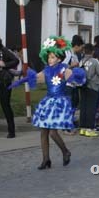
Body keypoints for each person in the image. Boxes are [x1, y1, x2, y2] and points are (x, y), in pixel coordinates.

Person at [18, 36, 85, 169]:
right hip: (48, 102)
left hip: (59, 102)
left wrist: (75, 78)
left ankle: (65, 151)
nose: (50, 59)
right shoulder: (46, 70)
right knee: (43, 131)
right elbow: (36, 78)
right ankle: (46, 159)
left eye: (53, 57)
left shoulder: (64, 70)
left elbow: (77, 80)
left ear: (59, 59)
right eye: (49, 57)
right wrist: (22, 78)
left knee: (53, 132)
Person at [78, 43, 99, 137]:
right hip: (93, 86)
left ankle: (83, 128)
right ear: (93, 51)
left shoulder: (81, 61)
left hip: (83, 86)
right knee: (91, 108)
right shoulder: (95, 61)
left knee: (84, 107)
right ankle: (90, 128)